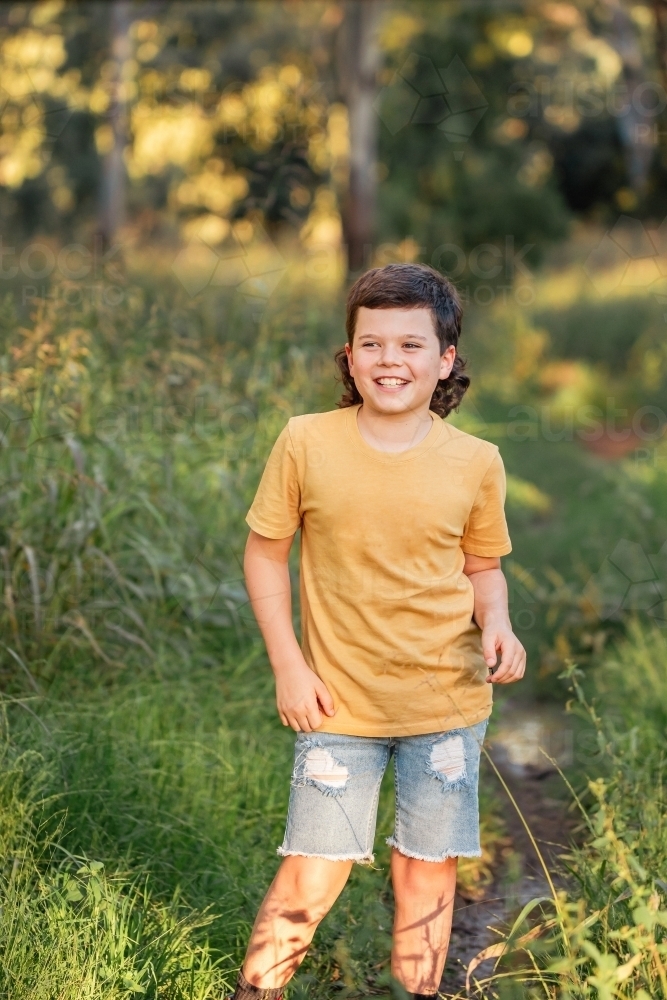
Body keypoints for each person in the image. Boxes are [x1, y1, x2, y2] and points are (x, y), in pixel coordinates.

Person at [229, 263, 526, 1000]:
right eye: (372, 344)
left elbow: (481, 566)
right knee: (314, 863)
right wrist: (288, 667)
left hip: (447, 704)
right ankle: (255, 992)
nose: (390, 360)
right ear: (349, 355)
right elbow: (265, 554)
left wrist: (498, 622)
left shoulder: (476, 462)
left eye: (410, 345)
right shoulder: (305, 443)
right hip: (338, 705)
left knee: (426, 865)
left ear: (445, 360)